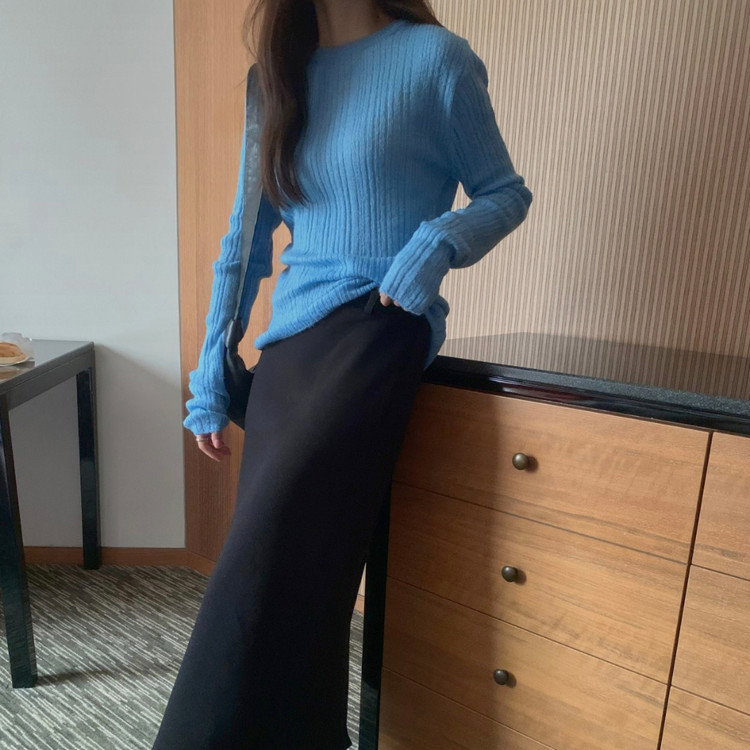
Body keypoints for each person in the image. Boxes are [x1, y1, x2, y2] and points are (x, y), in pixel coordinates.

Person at [152, 0, 533, 747]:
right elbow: (245, 237)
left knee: (260, 569)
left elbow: (505, 193)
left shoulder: (436, 60)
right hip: (289, 347)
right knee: (305, 581)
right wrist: (209, 374)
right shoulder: (275, 78)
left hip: (377, 327)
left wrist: (435, 245)